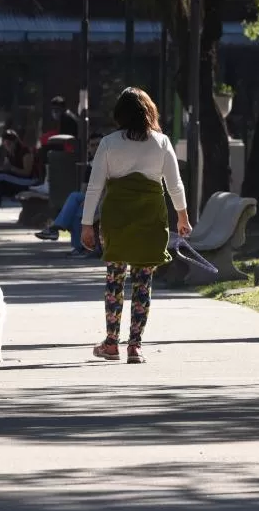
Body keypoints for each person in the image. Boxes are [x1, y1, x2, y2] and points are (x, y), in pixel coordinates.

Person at [81, 88, 190, 364]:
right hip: (150, 219)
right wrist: (183, 217)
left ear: (120, 114)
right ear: (150, 112)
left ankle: (110, 343)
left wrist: (86, 224)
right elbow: (174, 185)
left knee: (114, 280)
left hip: (116, 218)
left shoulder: (108, 143)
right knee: (143, 283)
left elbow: (95, 187)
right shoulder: (162, 142)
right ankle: (135, 346)